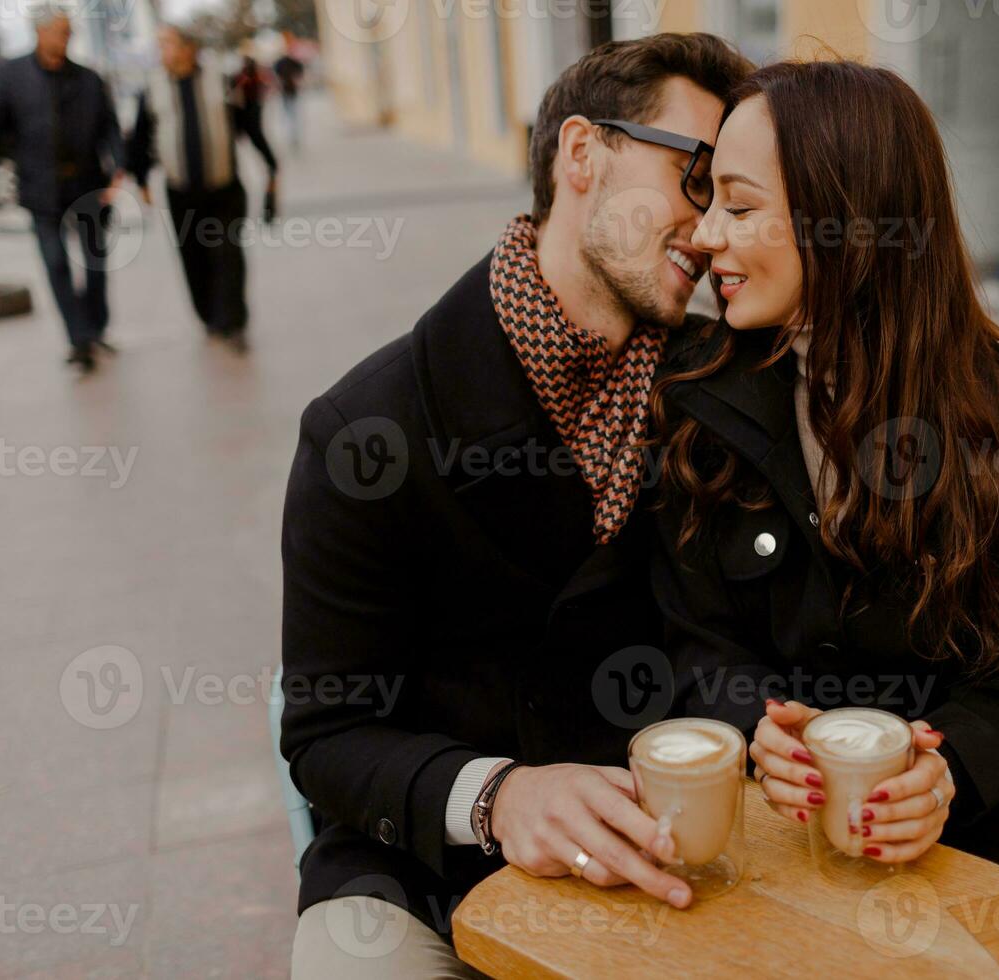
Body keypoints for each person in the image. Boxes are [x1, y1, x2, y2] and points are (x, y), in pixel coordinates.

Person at [279, 34, 755, 978]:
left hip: (686, 855)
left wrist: (982, 606)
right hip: (428, 868)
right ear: (581, 154)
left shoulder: (723, 379)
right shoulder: (366, 430)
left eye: (730, 197)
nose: (709, 231)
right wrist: (500, 797)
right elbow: (328, 734)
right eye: (695, 178)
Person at [649, 59, 999, 884]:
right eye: (710, 197)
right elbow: (699, 643)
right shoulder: (699, 398)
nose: (706, 233)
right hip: (791, 845)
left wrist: (948, 776)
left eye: (742, 205)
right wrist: (756, 729)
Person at [0, 6, 125, 373]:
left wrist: (118, 170)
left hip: (89, 188)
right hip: (41, 191)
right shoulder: (11, 75)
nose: (66, 38)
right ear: (39, 32)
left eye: (69, 32)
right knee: (55, 263)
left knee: (96, 264)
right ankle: (79, 338)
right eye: (60, 32)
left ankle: (95, 326)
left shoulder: (88, 78)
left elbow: (110, 127)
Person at [126, 25, 278, 353]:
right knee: (193, 256)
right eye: (160, 45)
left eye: (167, 44)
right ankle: (210, 317)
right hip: (181, 192)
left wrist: (270, 163)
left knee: (229, 254)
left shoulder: (221, 82)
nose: (162, 51)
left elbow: (249, 124)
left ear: (189, 48)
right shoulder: (152, 89)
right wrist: (141, 181)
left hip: (224, 187)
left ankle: (233, 321)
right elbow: (139, 140)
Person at [273, 43, 305, 153]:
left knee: (291, 114)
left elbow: (300, 72)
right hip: (285, 92)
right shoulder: (281, 63)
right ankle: (291, 135)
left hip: (291, 91)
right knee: (289, 114)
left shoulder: (290, 62)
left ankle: (293, 135)